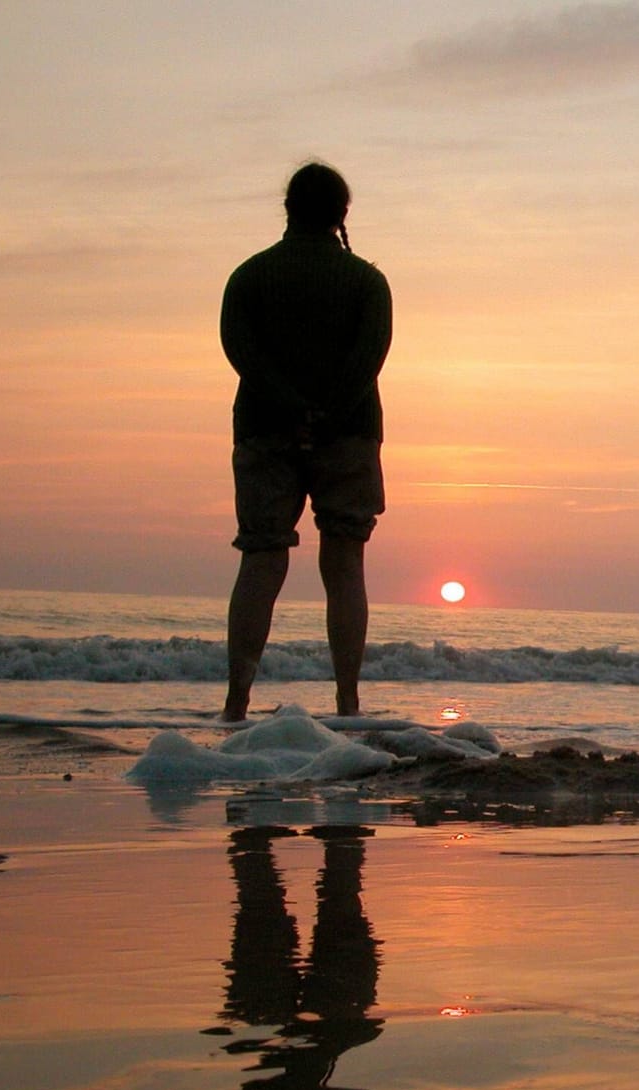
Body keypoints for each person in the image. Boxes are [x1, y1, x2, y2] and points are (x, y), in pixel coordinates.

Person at [220, 162, 393, 722]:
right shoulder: (367, 282)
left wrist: (290, 407)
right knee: (344, 566)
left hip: (265, 430)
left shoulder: (249, 277)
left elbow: (240, 354)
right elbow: (369, 360)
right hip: (348, 432)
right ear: (342, 215)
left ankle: (236, 702)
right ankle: (347, 702)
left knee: (261, 560)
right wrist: (325, 413)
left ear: (288, 209)